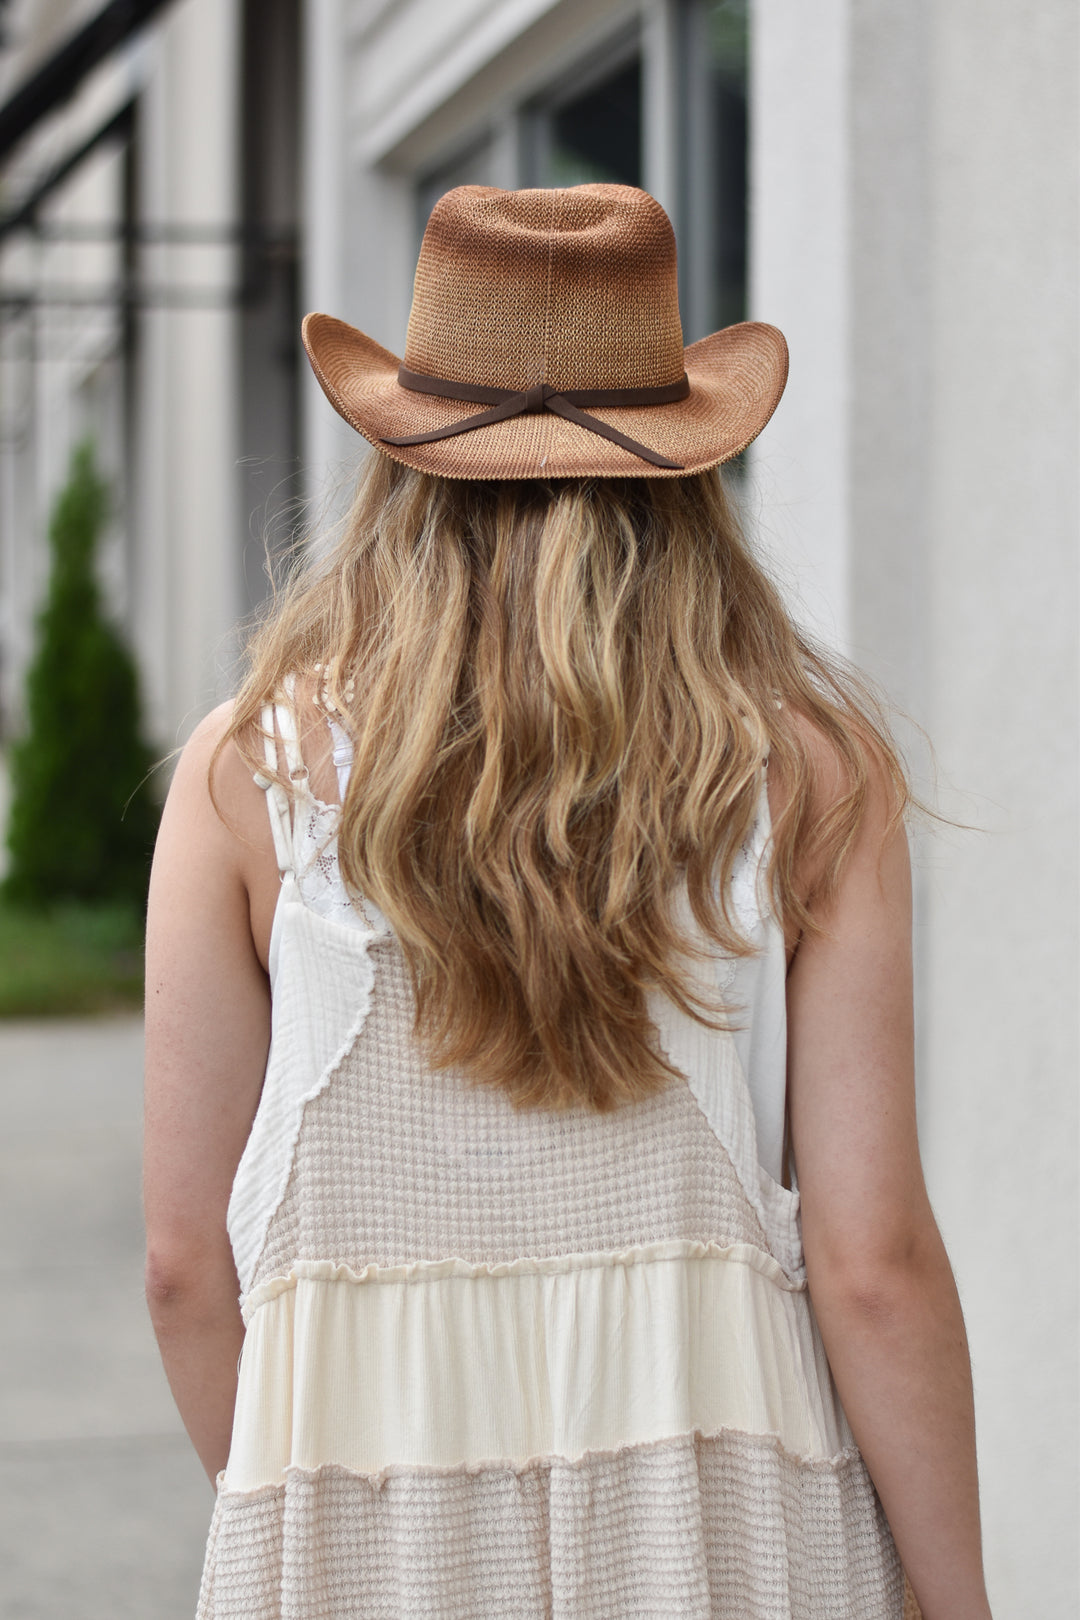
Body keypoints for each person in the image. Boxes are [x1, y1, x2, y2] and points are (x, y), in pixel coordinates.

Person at [143, 184, 993, 1620]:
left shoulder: (252, 774)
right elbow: (873, 1262)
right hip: (729, 1549)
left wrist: (316, 1509)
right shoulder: (806, 771)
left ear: (401, 462)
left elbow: (182, 1271)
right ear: (686, 473)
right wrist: (960, 1598)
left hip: (369, 1556)